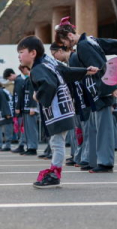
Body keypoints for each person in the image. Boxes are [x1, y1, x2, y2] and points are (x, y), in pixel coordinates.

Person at [53, 18, 117, 174]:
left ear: (70, 36)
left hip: (101, 90)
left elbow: (100, 64)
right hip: (94, 91)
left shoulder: (84, 46)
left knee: (103, 128)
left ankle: (105, 162)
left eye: (64, 41)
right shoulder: (89, 41)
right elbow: (109, 44)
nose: (65, 45)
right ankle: (94, 160)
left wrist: (111, 85)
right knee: (94, 128)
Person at [17, 35, 96, 189]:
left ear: (33, 53)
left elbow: (48, 85)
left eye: (21, 52)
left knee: (57, 143)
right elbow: (66, 71)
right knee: (57, 143)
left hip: (58, 112)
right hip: (65, 109)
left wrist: (37, 95)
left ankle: (54, 174)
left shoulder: (38, 68)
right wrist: (85, 71)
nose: (19, 56)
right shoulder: (49, 64)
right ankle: (54, 171)